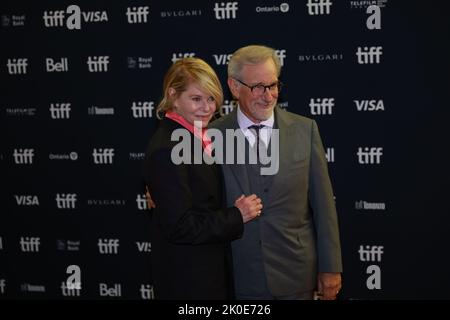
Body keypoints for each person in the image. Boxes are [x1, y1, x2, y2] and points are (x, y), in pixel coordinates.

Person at [210, 45, 343, 300]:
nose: (268, 96)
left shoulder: (306, 130)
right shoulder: (212, 136)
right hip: (237, 278)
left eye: (273, 85)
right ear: (235, 87)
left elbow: (324, 206)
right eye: (258, 87)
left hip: (296, 276)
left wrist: (331, 267)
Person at [143, 57, 262, 300]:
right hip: (189, 281)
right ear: (173, 95)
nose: (207, 108)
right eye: (196, 98)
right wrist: (237, 215)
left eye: (211, 99)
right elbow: (181, 226)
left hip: (209, 273)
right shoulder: (168, 147)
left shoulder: (199, 135)